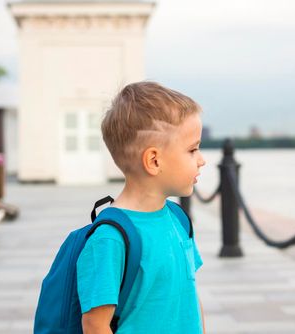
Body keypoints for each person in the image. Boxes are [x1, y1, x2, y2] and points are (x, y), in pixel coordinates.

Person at [76, 82, 206, 333]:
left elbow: (189, 296)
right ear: (154, 161)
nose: (202, 160)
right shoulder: (110, 239)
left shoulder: (178, 219)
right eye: (193, 149)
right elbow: (95, 326)